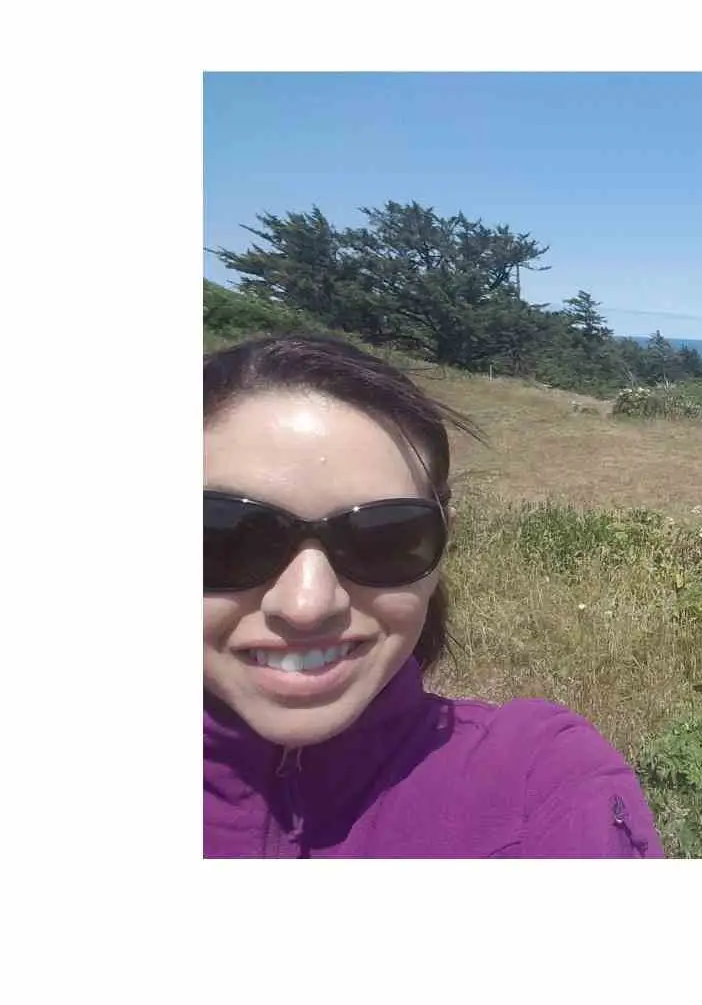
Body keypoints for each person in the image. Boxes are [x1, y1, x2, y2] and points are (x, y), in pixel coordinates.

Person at [203, 334, 663, 857]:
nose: (308, 604)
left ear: (443, 542)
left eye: (384, 538)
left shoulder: (540, 783)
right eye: (227, 538)